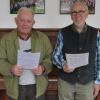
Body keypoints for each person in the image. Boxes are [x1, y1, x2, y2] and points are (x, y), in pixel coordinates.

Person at [0, 7, 52, 100]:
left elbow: (50, 57)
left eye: (28, 21)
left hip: (37, 87)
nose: (25, 24)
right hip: (14, 88)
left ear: (33, 23)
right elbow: (1, 61)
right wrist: (11, 68)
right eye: (22, 20)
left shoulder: (43, 38)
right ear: (16, 21)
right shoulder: (5, 40)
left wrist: (42, 68)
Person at [53, 1, 100, 100]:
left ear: (87, 14)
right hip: (66, 82)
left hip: (87, 83)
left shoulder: (96, 33)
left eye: (81, 11)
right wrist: (63, 64)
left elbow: (98, 60)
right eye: (74, 12)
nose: (77, 15)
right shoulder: (63, 32)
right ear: (70, 15)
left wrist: (97, 82)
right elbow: (55, 56)